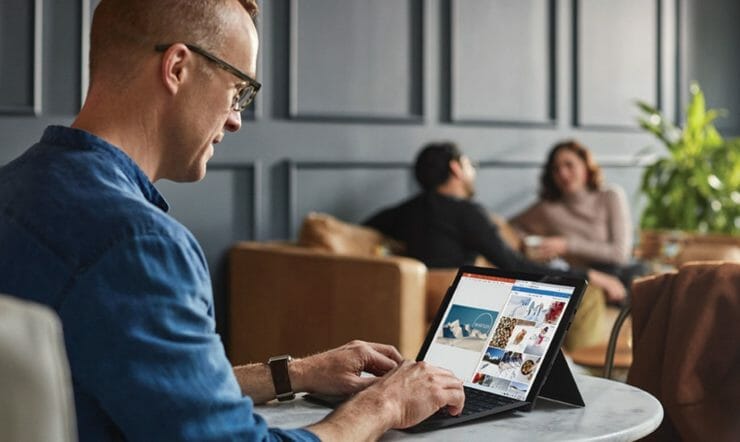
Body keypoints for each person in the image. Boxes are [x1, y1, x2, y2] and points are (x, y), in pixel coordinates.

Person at [0, 1, 464, 440]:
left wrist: (293, 374)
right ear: (177, 67)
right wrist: (386, 404)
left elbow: (133, 382)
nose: (237, 120)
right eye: (239, 89)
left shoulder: (18, 187)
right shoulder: (138, 243)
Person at [363, 141, 627, 303]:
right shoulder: (468, 213)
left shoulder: (404, 211)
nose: (472, 171)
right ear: (456, 168)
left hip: (411, 296)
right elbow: (515, 266)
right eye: (469, 164)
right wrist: (589, 276)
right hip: (459, 301)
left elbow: (363, 228)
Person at [510, 140, 641, 287]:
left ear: (586, 166)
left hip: (618, 274)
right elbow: (509, 227)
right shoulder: (547, 209)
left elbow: (620, 254)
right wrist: (532, 245)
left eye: (569, 165)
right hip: (579, 279)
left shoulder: (611, 196)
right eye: (556, 169)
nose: (563, 173)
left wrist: (566, 245)